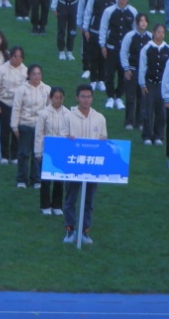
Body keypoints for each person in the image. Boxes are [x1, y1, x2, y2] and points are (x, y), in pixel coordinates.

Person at [62, 84, 107, 244]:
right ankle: (69, 230)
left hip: (92, 167)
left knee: (88, 201)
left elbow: (104, 139)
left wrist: (103, 140)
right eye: (83, 96)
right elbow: (61, 139)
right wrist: (67, 138)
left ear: (92, 98)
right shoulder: (68, 116)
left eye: (88, 97)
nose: (86, 100)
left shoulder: (99, 118)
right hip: (73, 165)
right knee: (70, 200)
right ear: (77, 98)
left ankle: (85, 232)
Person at [35, 86, 69, 216]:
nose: (58, 100)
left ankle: (57, 205)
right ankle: (45, 206)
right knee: (46, 180)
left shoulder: (68, 114)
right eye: (56, 97)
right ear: (50, 98)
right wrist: (38, 152)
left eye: (60, 98)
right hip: (47, 151)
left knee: (59, 180)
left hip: (61, 151)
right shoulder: (44, 114)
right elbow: (39, 134)